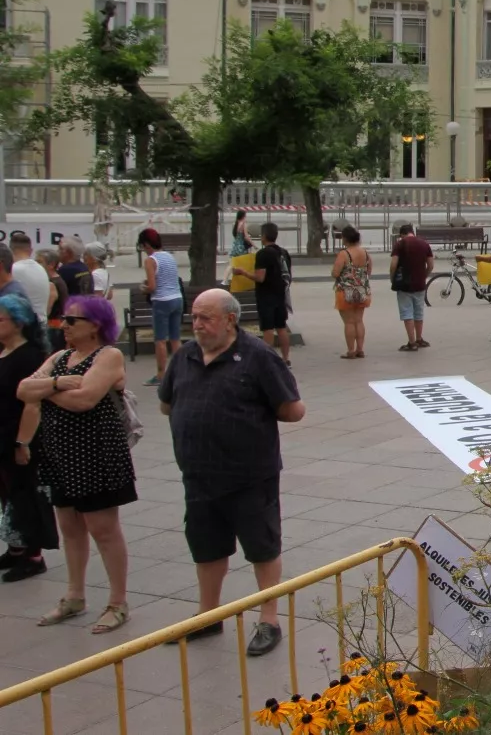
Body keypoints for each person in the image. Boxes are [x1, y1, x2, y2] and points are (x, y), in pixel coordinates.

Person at [159, 289, 305, 656]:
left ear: (230, 320)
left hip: (249, 475)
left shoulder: (258, 356)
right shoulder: (185, 356)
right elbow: (166, 404)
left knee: (262, 547)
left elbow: (293, 409)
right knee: (206, 547)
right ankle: (208, 616)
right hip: (198, 475)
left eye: (205, 318)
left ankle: (269, 620)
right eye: (194, 317)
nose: (197, 324)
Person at [16, 295, 136, 633]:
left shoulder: (108, 355)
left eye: (71, 320)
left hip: (97, 455)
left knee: (103, 529)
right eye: (63, 319)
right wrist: (57, 383)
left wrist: (45, 390)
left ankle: (118, 602)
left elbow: (85, 399)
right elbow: (23, 389)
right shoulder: (60, 357)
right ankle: (74, 596)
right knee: (70, 528)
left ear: (95, 325)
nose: (64, 325)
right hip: (60, 456)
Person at [0, 294, 54, 582]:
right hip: (2, 435)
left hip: (20, 435)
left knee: (26, 494)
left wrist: (22, 443)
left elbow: (32, 405)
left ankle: (34, 555)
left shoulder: (30, 356)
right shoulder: (3, 350)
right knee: (8, 494)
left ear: (18, 323)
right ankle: (16, 546)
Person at [138, 228, 185, 387]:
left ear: (146, 244)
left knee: (160, 340)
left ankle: (160, 374)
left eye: (142, 246)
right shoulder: (169, 256)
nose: (143, 250)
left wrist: (143, 288)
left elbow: (152, 287)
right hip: (177, 298)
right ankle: (181, 371)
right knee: (175, 338)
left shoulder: (150, 260)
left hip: (162, 301)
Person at [244, 223, 295, 365]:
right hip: (281, 295)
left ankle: (268, 361)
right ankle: (286, 359)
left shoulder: (263, 254)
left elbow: (260, 277)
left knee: (268, 328)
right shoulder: (283, 252)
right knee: (281, 327)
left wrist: (243, 273)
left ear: (264, 236)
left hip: (266, 295)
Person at [390, 223, 434, 352]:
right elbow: (431, 265)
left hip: (404, 284)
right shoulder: (424, 244)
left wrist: (392, 278)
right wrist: (423, 276)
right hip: (420, 284)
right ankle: (419, 339)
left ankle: (412, 342)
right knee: (418, 312)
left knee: (407, 313)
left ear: (402, 234)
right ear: (412, 232)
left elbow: (393, 265)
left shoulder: (400, 244)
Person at [330, 225, 371, 359]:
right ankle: (360, 349)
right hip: (362, 290)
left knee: (349, 322)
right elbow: (368, 271)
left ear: (345, 239)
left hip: (345, 290)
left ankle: (351, 350)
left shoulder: (344, 254)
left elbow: (336, 273)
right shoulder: (365, 253)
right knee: (359, 320)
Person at [8, 232, 50, 318]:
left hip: (25, 323)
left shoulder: (14, 269)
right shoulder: (41, 269)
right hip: (41, 321)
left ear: (10, 250)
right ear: (31, 250)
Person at [37, 247, 71, 352]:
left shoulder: (52, 283)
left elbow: (47, 310)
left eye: (39, 262)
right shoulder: (57, 280)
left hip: (53, 326)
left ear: (51, 264)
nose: (36, 265)